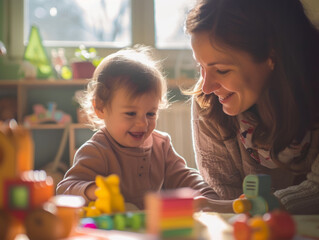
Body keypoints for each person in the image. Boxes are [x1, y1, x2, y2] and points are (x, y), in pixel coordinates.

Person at [184, 0, 319, 214]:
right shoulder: (208, 104)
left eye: (222, 70)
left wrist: (257, 208)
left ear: (271, 55)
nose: (207, 86)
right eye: (201, 66)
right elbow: (227, 197)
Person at [56, 46, 217, 210]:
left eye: (150, 114)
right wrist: (94, 191)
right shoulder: (96, 151)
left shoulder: (161, 145)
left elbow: (184, 177)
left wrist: (209, 197)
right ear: (100, 108)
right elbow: (65, 188)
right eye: (131, 113)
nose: (142, 124)